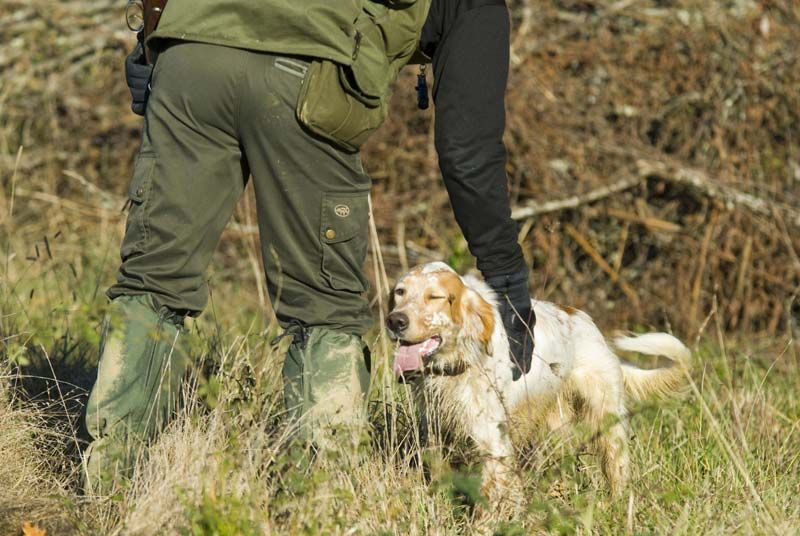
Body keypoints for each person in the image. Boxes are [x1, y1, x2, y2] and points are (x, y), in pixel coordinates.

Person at [83, 0, 534, 492]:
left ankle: (112, 485)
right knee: (325, 312)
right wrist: (506, 274)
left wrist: (151, 48)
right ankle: (323, 501)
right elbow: (467, 153)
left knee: (152, 282)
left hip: (190, 55)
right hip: (306, 76)